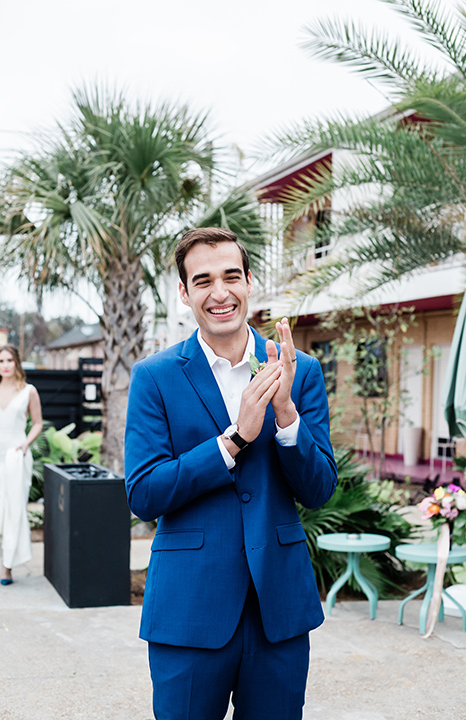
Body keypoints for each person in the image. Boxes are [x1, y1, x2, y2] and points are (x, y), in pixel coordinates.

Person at [125, 227, 337, 720]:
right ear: (184, 293)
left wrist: (287, 418)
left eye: (231, 276)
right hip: (189, 610)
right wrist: (233, 439)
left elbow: (319, 488)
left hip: (278, 612)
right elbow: (145, 493)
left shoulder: (299, 370)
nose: (219, 293)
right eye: (203, 281)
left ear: (249, 282)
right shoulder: (154, 376)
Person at [0, 344, 43, 585]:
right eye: (1, 361)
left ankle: (7, 566)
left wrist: (25, 444)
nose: (5, 365)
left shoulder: (28, 391)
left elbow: (37, 424)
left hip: (15, 457)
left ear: (16, 363)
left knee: (12, 510)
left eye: (9, 360)